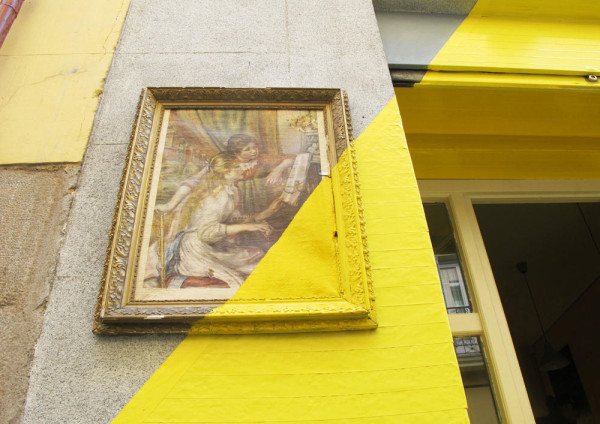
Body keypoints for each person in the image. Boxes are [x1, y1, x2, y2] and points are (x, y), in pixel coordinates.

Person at [161, 151, 283, 289]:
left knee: (258, 254)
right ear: (226, 172)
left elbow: (234, 218)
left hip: (213, 245)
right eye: (237, 166)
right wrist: (248, 226)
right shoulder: (219, 196)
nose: (243, 169)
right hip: (197, 249)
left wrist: (267, 213)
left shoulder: (231, 191)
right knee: (241, 276)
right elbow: (206, 233)